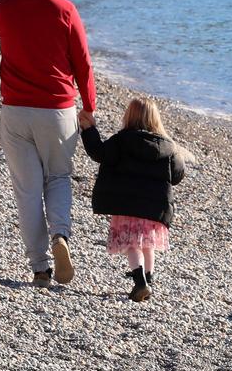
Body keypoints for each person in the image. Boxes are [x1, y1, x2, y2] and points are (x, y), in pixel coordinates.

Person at [0, 0, 96, 287]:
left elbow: (9, 34)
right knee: (59, 177)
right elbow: (82, 63)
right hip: (58, 111)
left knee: (27, 190)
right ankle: (60, 234)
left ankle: (40, 268)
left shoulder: (0, 9)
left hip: (16, 110)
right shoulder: (66, 10)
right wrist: (89, 106)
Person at [79, 98, 186, 303]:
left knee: (131, 244)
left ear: (129, 116)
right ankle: (149, 279)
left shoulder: (121, 141)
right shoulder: (168, 147)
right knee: (147, 244)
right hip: (155, 207)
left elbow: (99, 153)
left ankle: (140, 281)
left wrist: (89, 130)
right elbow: (177, 175)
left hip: (126, 204)